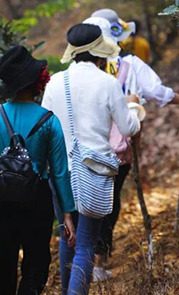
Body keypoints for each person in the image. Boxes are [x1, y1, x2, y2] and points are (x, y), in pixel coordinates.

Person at [84, 11, 179, 280]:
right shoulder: (131, 64)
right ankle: (99, 262)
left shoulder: (84, 70)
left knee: (91, 201)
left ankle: (85, 261)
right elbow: (156, 92)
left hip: (87, 146)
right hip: (122, 145)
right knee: (111, 201)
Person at [42, 24, 141, 295]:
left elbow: (44, 126)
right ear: (100, 55)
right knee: (86, 244)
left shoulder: (53, 83)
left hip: (61, 171)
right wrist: (132, 107)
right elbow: (129, 128)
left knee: (67, 238)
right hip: (94, 171)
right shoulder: (107, 83)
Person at [0, 45, 76, 295]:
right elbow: (60, 172)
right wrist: (67, 213)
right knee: (36, 263)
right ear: (36, 82)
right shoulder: (49, 121)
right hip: (37, 200)